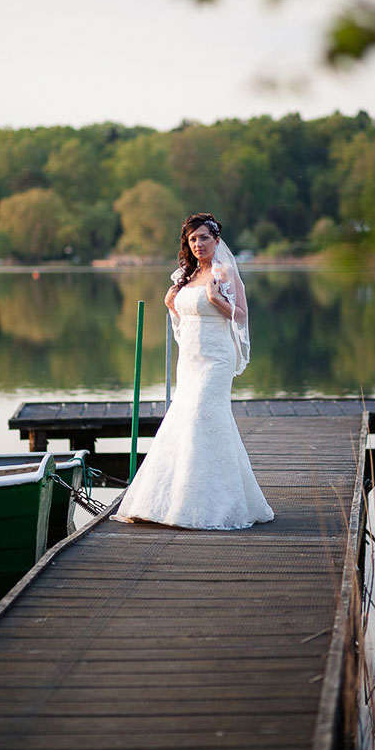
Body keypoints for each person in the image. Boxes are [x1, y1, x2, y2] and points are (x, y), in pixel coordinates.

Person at [111, 212, 273, 530]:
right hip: (190, 361)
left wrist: (215, 299)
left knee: (202, 414)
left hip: (217, 358)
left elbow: (240, 316)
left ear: (216, 240)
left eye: (204, 237)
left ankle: (215, 506)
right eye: (192, 239)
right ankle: (171, 502)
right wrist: (171, 302)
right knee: (186, 419)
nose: (198, 243)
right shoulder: (185, 275)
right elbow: (184, 316)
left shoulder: (223, 273)